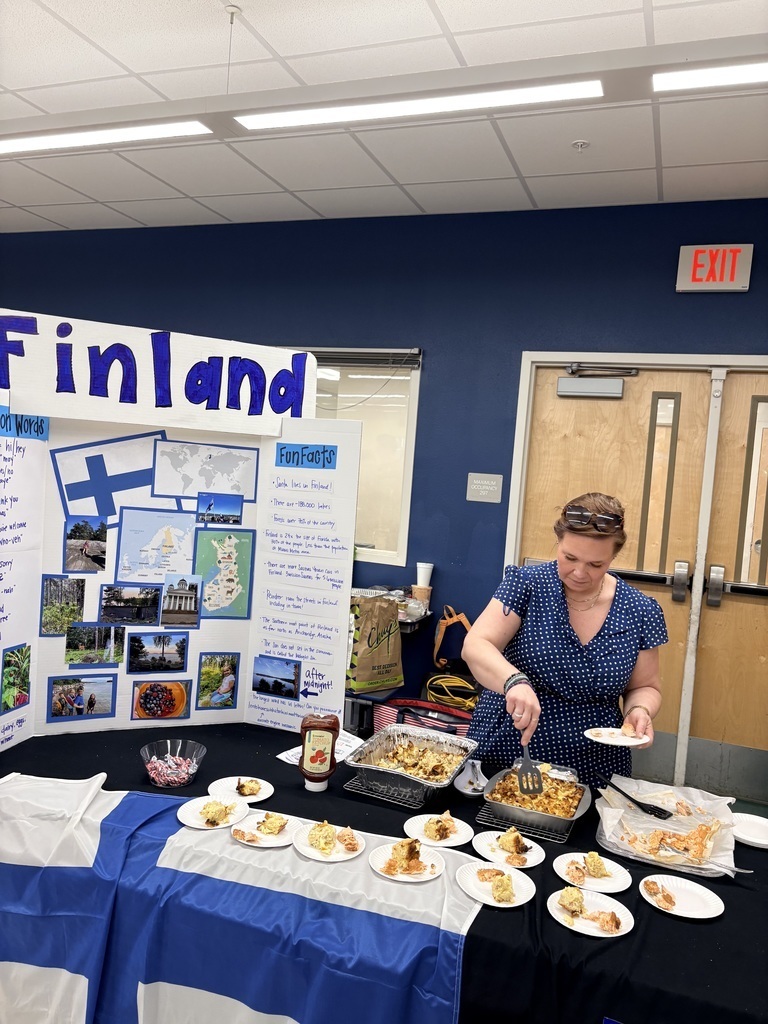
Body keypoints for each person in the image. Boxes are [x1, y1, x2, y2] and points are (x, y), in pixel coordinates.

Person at [462, 492, 667, 787]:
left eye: (596, 564)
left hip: (596, 763)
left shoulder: (640, 610)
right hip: (510, 747)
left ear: (614, 556)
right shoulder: (526, 585)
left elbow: (645, 686)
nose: (580, 573)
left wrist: (639, 711)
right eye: (569, 558)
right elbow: (476, 644)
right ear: (558, 541)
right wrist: (513, 681)